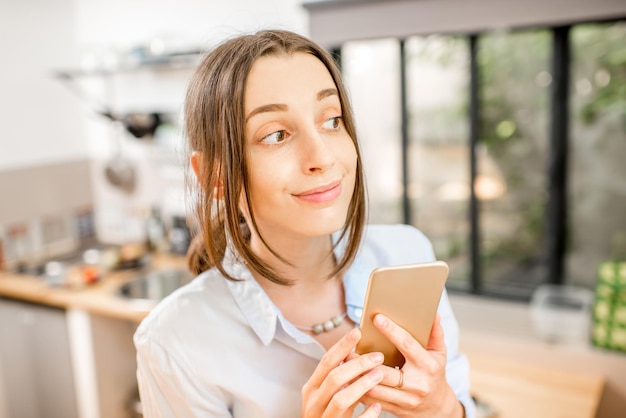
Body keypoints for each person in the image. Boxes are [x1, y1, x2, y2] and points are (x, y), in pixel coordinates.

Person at [134, 29, 475, 418]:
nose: (322, 157)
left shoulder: (407, 254)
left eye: (332, 121)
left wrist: (444, 408)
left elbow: (462, 400)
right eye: (276, 135)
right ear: (215, 175)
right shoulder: (173, 343)